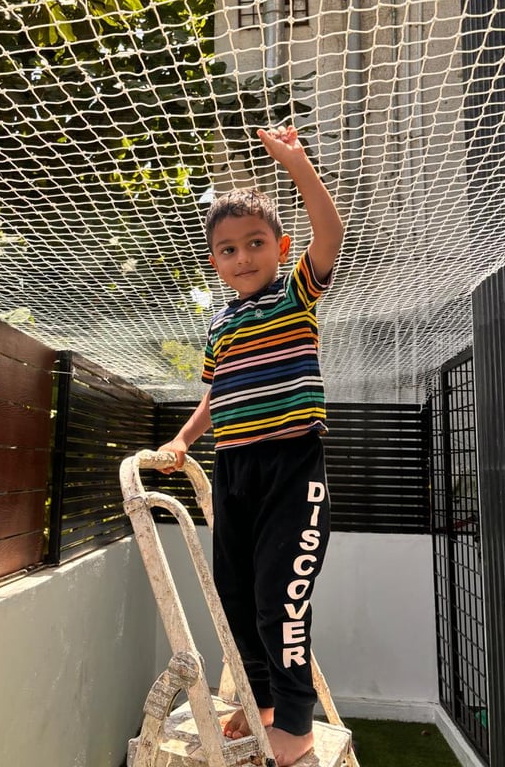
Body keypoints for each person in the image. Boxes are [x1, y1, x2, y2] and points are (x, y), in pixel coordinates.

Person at [157, 125, 343, 766]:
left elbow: (331, 236)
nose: (243, 257)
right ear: (215, 262)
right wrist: (181, 442)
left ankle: (294, 724)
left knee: (278, 602)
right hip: (233, 467)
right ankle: (259, 704)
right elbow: (218, 395)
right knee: (236, 602)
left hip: (292, 469)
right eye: (229, 250)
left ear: (280, 247)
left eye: (256, 243)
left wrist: (298, 168)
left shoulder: (296, 292)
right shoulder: (221, 322)